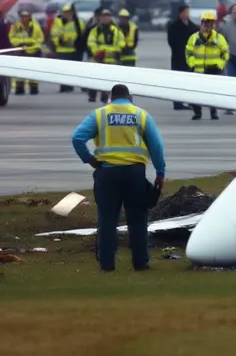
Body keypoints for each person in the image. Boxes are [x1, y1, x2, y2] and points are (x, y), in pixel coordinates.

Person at [71, 83, 166, 272]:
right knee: (137, 219)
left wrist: (89, 159)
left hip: (107, 174)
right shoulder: (141, 115)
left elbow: (77, 138)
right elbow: (157, 147)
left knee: (107, 220)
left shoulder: (100, 114)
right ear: (130, 97)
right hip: (134, 173)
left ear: (110, 97)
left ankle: (106, 265)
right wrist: (160, 173)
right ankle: (140, 263)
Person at [185, 11, 228, 121]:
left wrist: (220, 65)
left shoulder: (219, 38)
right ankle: (197, 112)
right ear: (202, 23)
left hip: (214, 69)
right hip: (198, 70)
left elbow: (225, 53)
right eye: (206, 22)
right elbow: (188, 53)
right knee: (195, 93)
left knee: (213, 93)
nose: (208, 25)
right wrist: (192, 64)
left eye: (210, 22)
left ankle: (213, 112)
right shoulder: (194, 38)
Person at [84, 9, 124, 103]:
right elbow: (91, 42)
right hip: (98, 59)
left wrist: (111, 51)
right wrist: (97, 52)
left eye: (107, 16)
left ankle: (105, 97)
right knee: (95, 78)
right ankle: (92, 95)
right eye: (103, 16)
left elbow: (121, 43)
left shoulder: (116, 31)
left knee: (109, 80)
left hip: (111, 60)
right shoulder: (95, 30)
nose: (105, 18)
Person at [166, 4, 198, 110]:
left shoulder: (192, 26)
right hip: (178, 57)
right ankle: (177, 103)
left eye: (188, 12)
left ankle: (190, 101)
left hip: (190, 58)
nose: (187, 14)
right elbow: (172, 42)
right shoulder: (173, 26)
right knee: (177, 80)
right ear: (180, 13)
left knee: (189, 81)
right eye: (185, 12)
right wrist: (182, 49)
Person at [7, 7, 45, 95]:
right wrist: (19, 43)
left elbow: (40, 39)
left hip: (33, 51)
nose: (24, 18)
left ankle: (33, 87)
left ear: (29, 17)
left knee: (33, 71)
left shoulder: (35, 27)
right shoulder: (15, 27)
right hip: (20, 51)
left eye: (26, 16)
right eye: (22, 16)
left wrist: (30, 43)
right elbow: (11, 37)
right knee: (20, 71)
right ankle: (19, 88)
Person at [49, 3, 80, 92]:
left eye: (69, 12)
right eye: (65, 12)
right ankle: (63, 86)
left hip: (73, 49)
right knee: (62, 70)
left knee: (71, 70)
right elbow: (54, 34)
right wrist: (59, 42)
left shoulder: (78, 22)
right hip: (61, 49)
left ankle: (70, 86)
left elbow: (81, 34)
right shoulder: (58, 22)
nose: (67, 14)